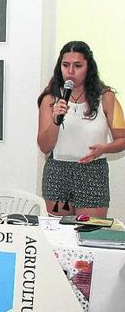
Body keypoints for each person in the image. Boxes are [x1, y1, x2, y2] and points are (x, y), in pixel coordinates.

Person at [37, 41, 125, 217]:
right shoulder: (50, 99)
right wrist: (55, 120)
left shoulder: (106, 97)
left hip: (92, 172)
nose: (70, 72)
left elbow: (122, 139)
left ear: (88, 68)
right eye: (65, 65)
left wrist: (104, 148)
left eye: (78, 66)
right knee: (59, 236)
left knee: (89, 233)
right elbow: (44, 146)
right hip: (58, 171)